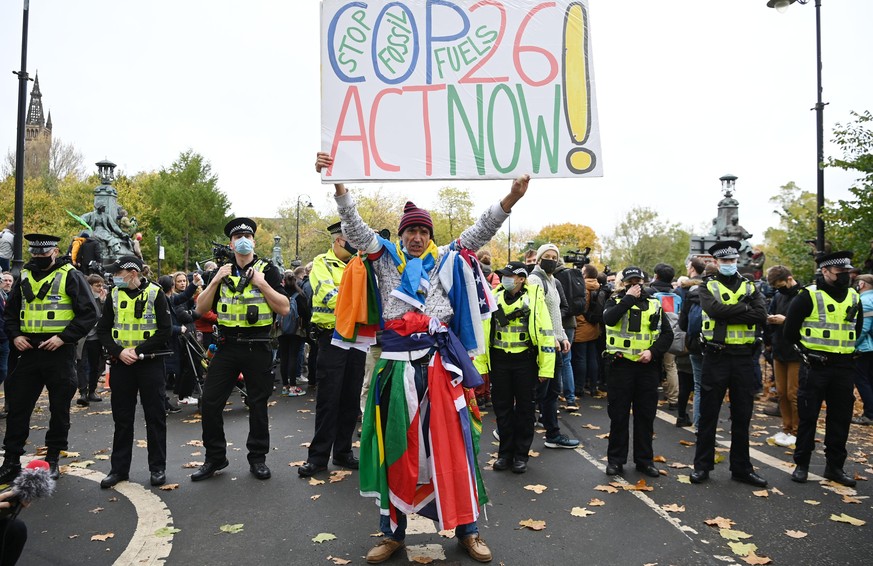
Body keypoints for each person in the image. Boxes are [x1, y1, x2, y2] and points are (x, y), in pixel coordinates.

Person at [316, 151, 530, 564]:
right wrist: (341, 189)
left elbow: (479, 231)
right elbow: (357, 231)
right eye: (410, 230)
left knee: (456, 450)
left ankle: (468, 528)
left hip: (439, 370)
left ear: (429, 236)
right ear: (401, 234)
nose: (416, 237)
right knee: (394, 448)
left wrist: (511, 198)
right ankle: (391, 531)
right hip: (395, 370)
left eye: (422, 231)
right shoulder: (384, 260)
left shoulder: (447, 258)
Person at [191, 218, 289, 482]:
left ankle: (257, 458)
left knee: (258, 405)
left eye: (247, 235)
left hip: (258, 346)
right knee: (210, 402)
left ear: (253, 241)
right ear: (231, 243)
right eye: (237, 237)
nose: (243, 240)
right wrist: (214, 281)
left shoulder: (268, 269)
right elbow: (200, 309)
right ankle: (215, 458)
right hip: (227, 346)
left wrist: (262, 283)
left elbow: (284, 308)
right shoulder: (220, 272)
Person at [0, 234, 98, 484]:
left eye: (43, 254)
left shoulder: (70, 275)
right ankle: (11, 460)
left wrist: (64, 338)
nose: (39, 257)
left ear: (54, 251)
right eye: (35, 253)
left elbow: (89, 313)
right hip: (29, 351)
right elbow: (10, 314)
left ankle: (52, 459)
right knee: (18, 408)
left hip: (59, 352)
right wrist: (15, 336)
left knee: (59, 409)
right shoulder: (24, 276)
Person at [689, 241, 768, 487]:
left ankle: (742, 468)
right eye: (724, 261)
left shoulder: (749, 285)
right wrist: (744, 307)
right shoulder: (706, 286)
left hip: (744, 357)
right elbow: (714, 311)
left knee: (743, 416)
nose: (729, 265)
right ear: (716, 263)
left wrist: (730, 311)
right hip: (716, 356)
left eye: (732, 261)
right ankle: (702, 466)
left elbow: (760, 315)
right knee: (709, 414)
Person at [787, 251, 863, 487]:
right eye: (840, 273)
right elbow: (790, 331)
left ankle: (835, 467)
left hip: (843, 366)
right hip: (815, 366)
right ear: (825, 271)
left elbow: (856, 330)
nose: (845, 277)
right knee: (808, 416)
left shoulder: (853, 296)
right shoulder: (808, 295)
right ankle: (802, 465)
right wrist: (807, 354)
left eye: (847, 273)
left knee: (840, 419)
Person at [96, 256, 172, 488]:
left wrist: (137, 351)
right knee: (122, 418)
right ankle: (119, 469)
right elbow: (103, 330)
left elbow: (165, 331)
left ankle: (157, 468)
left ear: (132, 272)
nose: (114, 276)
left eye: (118, 272)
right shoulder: (114, 295)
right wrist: (119, 352)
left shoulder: (155, 293)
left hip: (149, 363)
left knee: (155, 417)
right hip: (122, 365)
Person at [297, 222, 366, 477]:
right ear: (339, 240)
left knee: (350, 397)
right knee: (329, 399)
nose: (357, 244)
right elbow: (331, 297)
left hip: (358, 338)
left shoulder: (360, 264)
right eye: (351, 239)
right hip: (332, 337)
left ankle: (343, 452)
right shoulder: (321, 264)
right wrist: (360, 302)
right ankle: (318, 457)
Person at [475, 261, 554, 474]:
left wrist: (546, 369)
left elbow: (546, 332)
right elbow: (482, 331)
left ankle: (521, 455)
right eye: (503, 275)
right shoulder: (493, 296)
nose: (504, 279)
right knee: (502, 409)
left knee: (526, 410)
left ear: (520, 278)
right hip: (499, 361)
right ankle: (504, 454)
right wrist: (481, 364)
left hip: (525, 361)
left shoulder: (535, 298)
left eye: (509, 275)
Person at [602, 267, 673, 477]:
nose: (635, 285)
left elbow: (667, 335)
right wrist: (628, 300)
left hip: (646, 368)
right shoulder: (614, 302)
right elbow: (609, 320)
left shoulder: (654, 304)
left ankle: (644, 461)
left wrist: (652, 352)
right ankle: (616, 461)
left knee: (645, 416)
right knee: (618, 416)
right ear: (623, 284)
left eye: (638, 281)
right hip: (620, 366)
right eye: (630, 281)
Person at [528, 244, 578, 449]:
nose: (551, 259)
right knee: (537, 391)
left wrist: (562, 335)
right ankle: (510, 429)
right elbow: (535, 315)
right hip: (542, 346)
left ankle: (552, 434)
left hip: (555, 344)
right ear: (539, 259)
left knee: (551, 391)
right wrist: (549, 339)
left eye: (554, 256)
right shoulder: (534, 280)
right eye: (546, 256)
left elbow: (556, 313)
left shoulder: (554, 280)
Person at [764, 265, 803, 447]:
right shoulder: (779, 296)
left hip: (796, 350)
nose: (778, 289)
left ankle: (797, 430)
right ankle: (787, 428)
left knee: (793, 392)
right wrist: (770, 321)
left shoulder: (803, 295)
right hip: (779, 349)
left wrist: (785, 321)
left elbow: (808, 322)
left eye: (780, 285)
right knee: (781, 392)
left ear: (789, 279)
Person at [649, 263, 680, 410]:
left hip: (653, 336)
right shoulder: (677, 295)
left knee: (652, 366)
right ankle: (673, 399)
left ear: (656, 276)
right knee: (671, 366)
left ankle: (650, 395)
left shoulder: (650, 292)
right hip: (672, 334)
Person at [76, 274, 107, 406]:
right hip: (83, 337)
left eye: (101, 285)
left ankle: (92, 391)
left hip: (95, 337)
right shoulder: (82, 297)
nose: (100, 288)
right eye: (97, 285)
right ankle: (83, 392)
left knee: (96, 365)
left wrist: (102, 301)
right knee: (81, 364)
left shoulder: (103, 299)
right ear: (90, 286)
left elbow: (104, 316)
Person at [853, 274, 873, 426]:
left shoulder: (865, 301)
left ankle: (869, 414)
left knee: (862, 380)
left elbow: (862, 329)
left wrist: (852, 346)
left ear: (862, 284)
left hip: (864, 348)